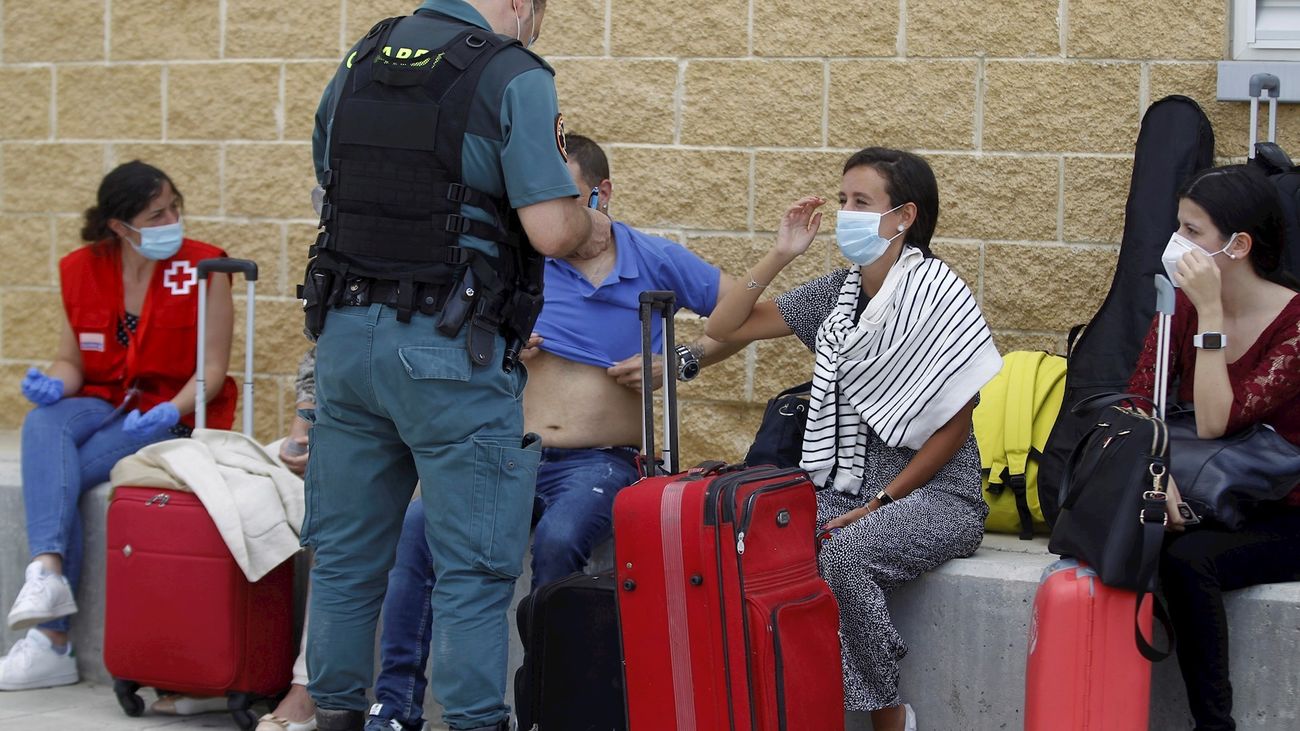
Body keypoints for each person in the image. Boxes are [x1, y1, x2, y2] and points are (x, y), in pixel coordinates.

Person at [361, 133, 744, 731]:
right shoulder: (515, 263)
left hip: (603, 460)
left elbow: (741, 312)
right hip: (508, 453)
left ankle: (547, 707)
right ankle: (394, 710)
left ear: (601, 192)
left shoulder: (651, 258)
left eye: (560, 195)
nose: (548, 213)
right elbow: (446, 345)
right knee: (417, 528)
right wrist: (497, 348)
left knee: (560, 538)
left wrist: (682, 361)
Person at [301, 1, 604, 730]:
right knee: (471, 570)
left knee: (343, 558)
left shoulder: (362, 58)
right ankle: (473, 721)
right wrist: (589, 213)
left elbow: (326, 183)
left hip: (344, 339)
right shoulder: (512, 72)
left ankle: (336, 716)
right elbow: (552, 229)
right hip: (448, 349)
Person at [705, 147, 1001, 731]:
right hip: (843, 488)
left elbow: (953, 427)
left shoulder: (940, 297)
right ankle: (773, 705)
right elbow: (724, 326)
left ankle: (888, 714)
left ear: (904, 216)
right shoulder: (834, 298)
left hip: (936, 495)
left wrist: (881, 501)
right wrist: (782, 252)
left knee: (842, 549)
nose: (845, 212)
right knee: (750, 538)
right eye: (842, 200)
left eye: (861, 202)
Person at [0, 161, 236, 691]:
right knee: (43, 421)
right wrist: (52, 385)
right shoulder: (82, 268)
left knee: (62, 476)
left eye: (175, 206)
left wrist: (173, 410)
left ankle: (52, 636)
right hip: (102, 398)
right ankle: (48, 574)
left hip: (167, 409)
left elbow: (213, 372)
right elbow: (71, 363)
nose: (172, 218)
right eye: (158, 213)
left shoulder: (206, 267)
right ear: (119, 225)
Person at [1127, 164, 1300, 731]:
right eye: (1179, 226)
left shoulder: (1293, 323)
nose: (1177, 244)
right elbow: (1136, 402)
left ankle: (1214, 725)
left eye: (1192, 231)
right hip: (1200, 494)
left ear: (1239, 245)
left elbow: (1216, 421)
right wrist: (1157, 470)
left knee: (1187, 560)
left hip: (1282, 509)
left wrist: (1210, 314)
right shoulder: (1174, 307)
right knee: (1117, 540)